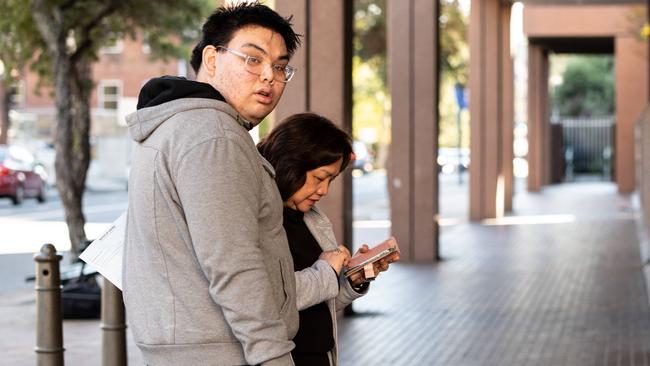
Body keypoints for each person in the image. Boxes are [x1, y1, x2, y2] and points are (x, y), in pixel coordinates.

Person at [122, 3, 302, 365]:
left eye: (280, 66)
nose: (269, 75)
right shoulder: (213, 135)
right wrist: (274, 356)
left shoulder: (177, 125)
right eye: (253, 59)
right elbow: (233, 263)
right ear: (213, 58)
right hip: (222, 351)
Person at [258, 113, 399, 366]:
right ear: (291, 163)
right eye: (319, 178)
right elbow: (263, 298)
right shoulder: (256, 218)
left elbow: (320, 305)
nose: (324, 190)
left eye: (331, 180)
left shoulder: (313, 219)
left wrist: (350, 281)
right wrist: (326, 272)